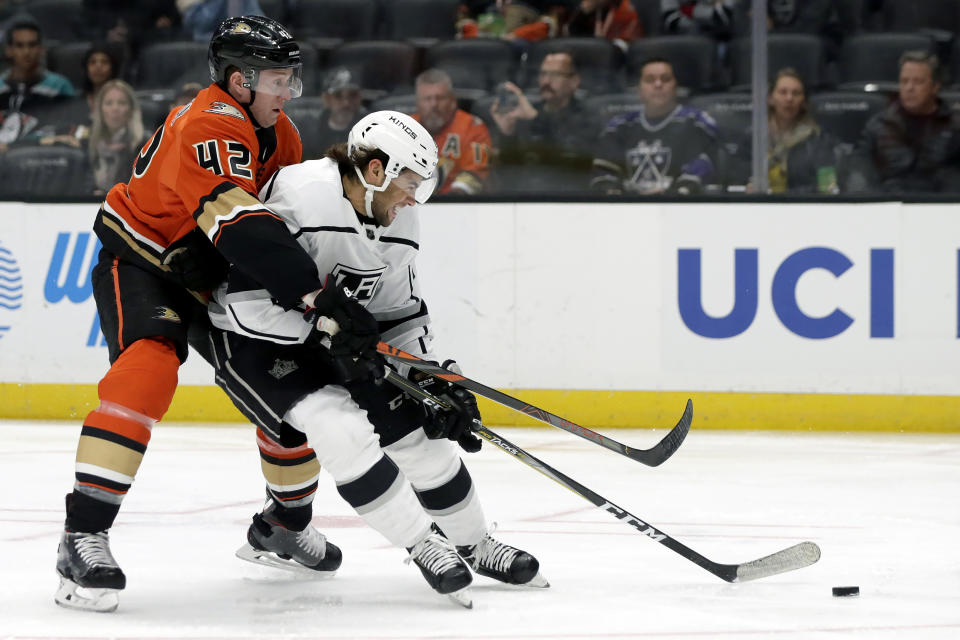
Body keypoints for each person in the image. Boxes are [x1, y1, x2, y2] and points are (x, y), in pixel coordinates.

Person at [54, 15, 348, 614]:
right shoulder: (209, 123)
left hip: (210, 269)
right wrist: (311, 293)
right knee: (149, 368)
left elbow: (280, 225)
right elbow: (239, 225)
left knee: (286, 378)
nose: (286, 90)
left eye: (291, 78)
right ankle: (82, 533)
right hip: (143, 260)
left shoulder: (283, 135)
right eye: (275, 78)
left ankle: (284, 527)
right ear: (238, 80)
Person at [208, 109, 547, 607]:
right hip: (255, 340)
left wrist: (433, 377)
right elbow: (241, 299)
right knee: (339, 429)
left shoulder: (399, 216)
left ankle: (475, 543)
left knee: (419, 435)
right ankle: (423, 543)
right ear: (374, 171)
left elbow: (398, 313)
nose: (414, 197)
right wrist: (323, 328)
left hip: (338, 342)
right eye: (408, 183)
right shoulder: (300, 195)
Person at [592, 57, 719, 194]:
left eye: (665, 79)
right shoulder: (618, 127)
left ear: (676, 87)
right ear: (639, 90)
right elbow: (604, 172)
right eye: (649, 80)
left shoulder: (697, 123)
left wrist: (672, 194)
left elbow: (703, 168)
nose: (658, 84)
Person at [846, 50, 960, 194]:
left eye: (918, 82)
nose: (909, 88)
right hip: (888, 203)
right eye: (904, 81)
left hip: (939, 206)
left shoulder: (954, 126)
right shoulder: (880, 124)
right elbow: (859, 168)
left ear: (935, 87)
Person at [489, 50, 594, 192]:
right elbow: (509, 171)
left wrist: (536, 119)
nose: (546, 81)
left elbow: (572, 162)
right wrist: (507, 134)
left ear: (574, 82)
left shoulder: (588, 117)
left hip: (568, 198)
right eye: (543, 74)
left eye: (555, 75)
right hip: (524, 197)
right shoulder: (525, 113)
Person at [413, 68, 492, 195]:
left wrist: (448, 202)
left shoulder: (473, 127)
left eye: (440, 98)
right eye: (427, 99)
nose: (434, 105)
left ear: (453, 101)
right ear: (417, 103)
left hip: (456, 204)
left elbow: (475, 174)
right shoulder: (405, 127)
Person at [760, 68, 838, 194]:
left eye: (796, 93)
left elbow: (827, 186)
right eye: (782, 92)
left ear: (804, 102)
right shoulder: (754, 136)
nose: (789, 98)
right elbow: (736, 176)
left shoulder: (819, 138)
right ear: (770, 99)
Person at [0, 19, 74, 151]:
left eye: (32, 45)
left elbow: (67, 130)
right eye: (20, 45)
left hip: (44, 156)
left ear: (42, 49)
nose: (27, 51)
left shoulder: (59, 86)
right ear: (9, 50)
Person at [88, 79, 147, 195]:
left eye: (122, 103)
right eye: (109, 103)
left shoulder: (144, 144)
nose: (115, 109)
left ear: (131, 109)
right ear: (100, 110)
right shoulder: (88, 143)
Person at [309, 67, 368, 160]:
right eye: (338, 95)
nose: (346, 103)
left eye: (352, 95)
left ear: (359, 98)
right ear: (326, 99)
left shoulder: (370, 129)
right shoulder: (311, 130)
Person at [563, 0, 641, 47]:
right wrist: (583, 12)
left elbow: (624, 45)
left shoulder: (627, 9)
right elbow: (573, 36)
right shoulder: (593, 9)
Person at [661, 0, 737, 38]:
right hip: (686, 38)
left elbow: (723, 17)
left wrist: (690, 10)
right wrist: (710, 12)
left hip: (723, 39)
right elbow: (670, 21)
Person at [82, 44, 121, 114]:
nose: (98, 67)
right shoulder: (77, 102)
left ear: (113, 68)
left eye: (105, 62)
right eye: (92, 62)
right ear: (86, 68)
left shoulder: (122, 100)